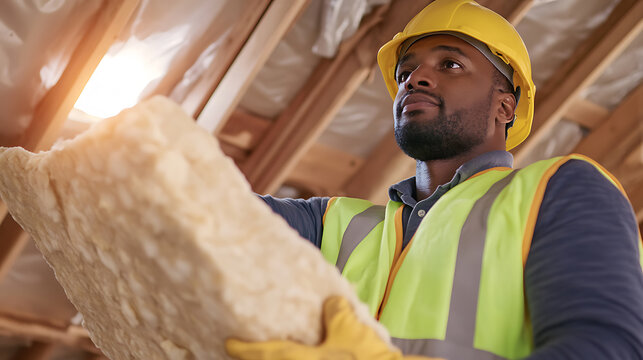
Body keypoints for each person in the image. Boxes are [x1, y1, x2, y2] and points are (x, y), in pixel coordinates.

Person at [226, 0, 643, 359]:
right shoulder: (331, 222)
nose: (415, 79)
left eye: (451, 64)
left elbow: (609, 349)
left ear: (505, 106)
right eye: (406, 71)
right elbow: (205, 209)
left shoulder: (562, 190)